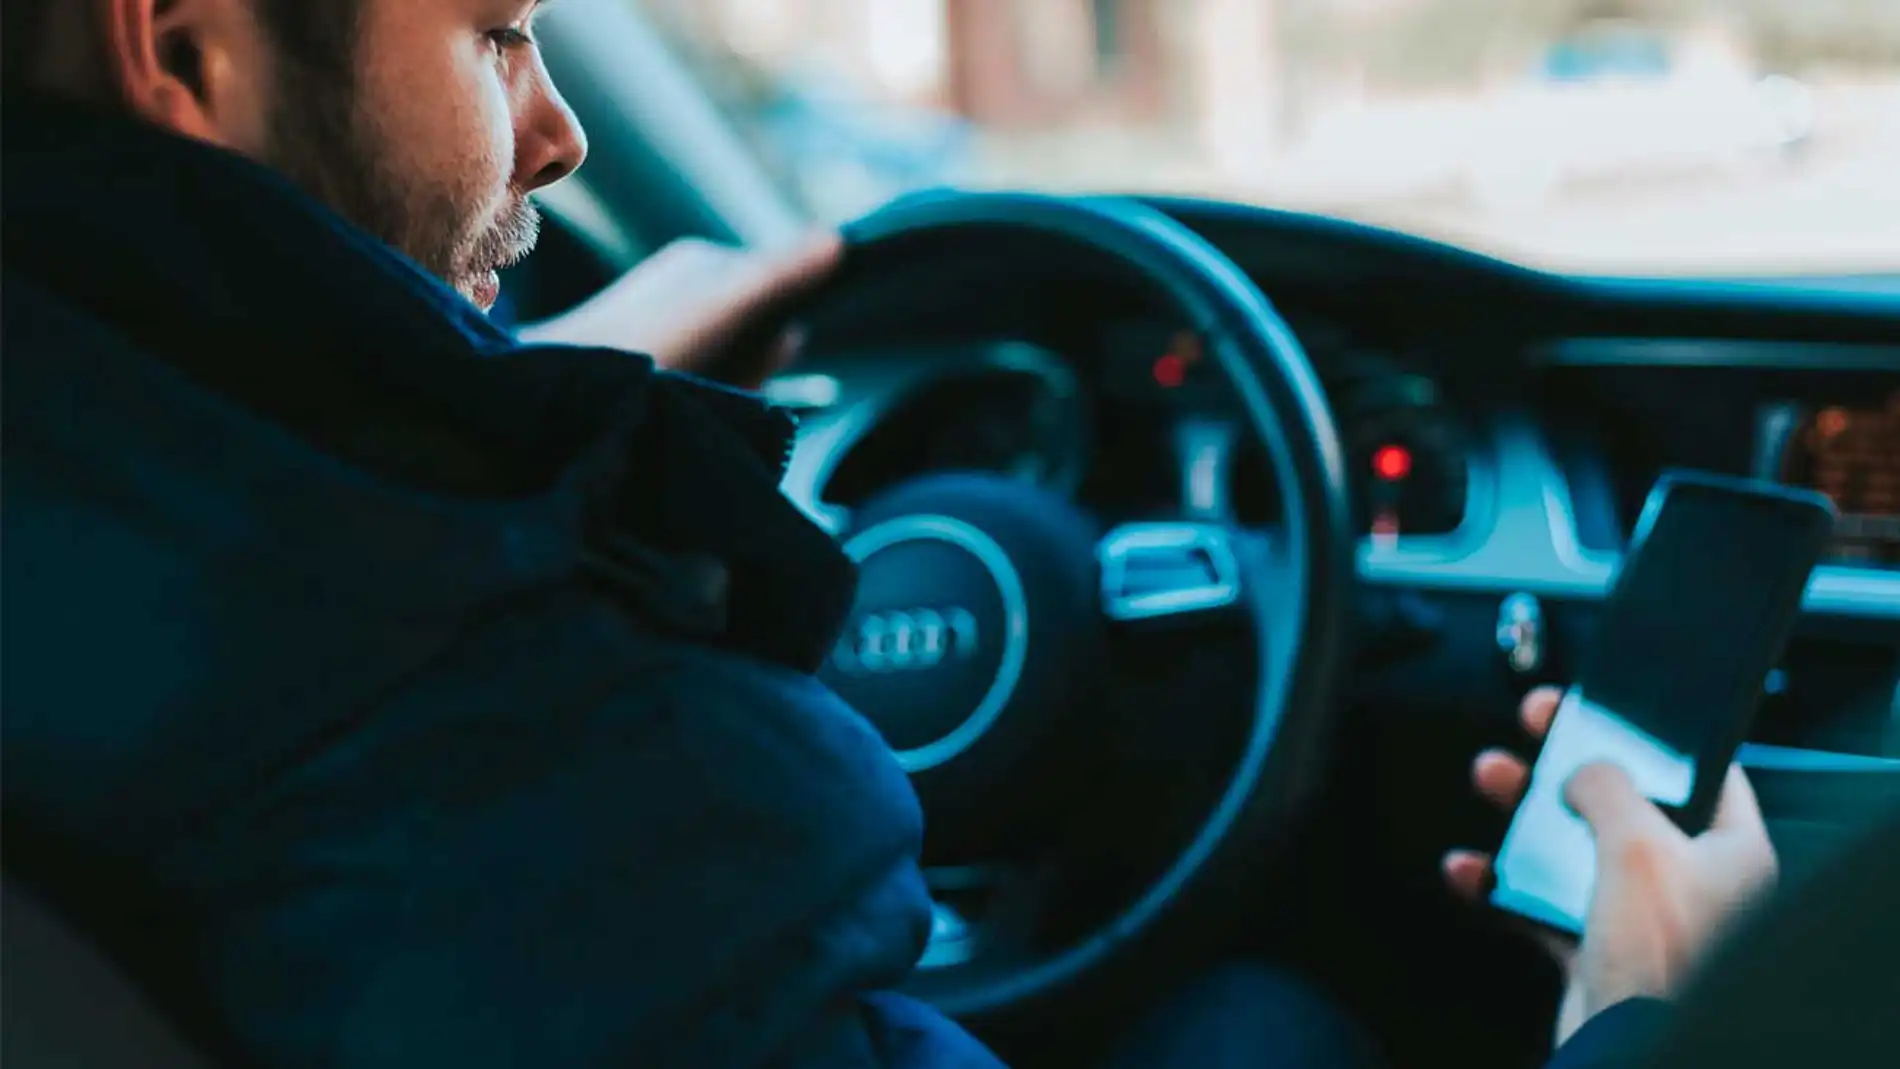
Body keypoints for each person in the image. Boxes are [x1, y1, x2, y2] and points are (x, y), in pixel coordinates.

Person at [0, 2, 1798, 1067]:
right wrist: (1669, 1019)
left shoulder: (149, 565)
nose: (553, 137)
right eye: (497, 34)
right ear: (187, 48)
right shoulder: (565, 805)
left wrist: (515, 419)